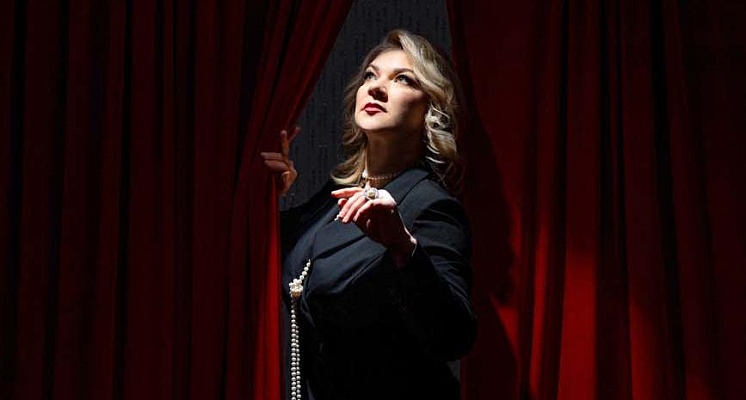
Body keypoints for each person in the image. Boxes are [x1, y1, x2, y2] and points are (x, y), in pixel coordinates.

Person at [262, 29, 476, 400]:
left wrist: (403, 247)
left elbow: (455, 336)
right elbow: (265, 261)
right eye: (370, 76)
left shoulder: (429, 205)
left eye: (403, 79)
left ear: (431, 109)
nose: (376, 87)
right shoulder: (334, 195)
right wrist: (266, 198)